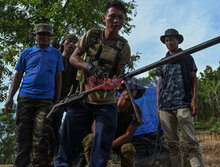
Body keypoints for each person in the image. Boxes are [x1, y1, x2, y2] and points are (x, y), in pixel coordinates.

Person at [54, 1, 131, 166]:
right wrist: (88, 67)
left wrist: (116, 80)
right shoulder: (92, 35)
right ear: (104, 18)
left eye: (120, 18)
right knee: (68, 143)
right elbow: (73, 58)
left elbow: (120, 72)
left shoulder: (124, 46)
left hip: (106, 101)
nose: (116, 21)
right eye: (112, 17)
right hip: (82, 97)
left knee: (102, 144)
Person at [4, 23, 64, 167]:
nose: (44, 37)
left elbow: (58, 77)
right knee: (22, 136)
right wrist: (10, 97)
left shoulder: (56, 54)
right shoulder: (26, 52)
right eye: (41, 34)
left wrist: (57, 98)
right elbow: (18, 75)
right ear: (35, 36)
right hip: (25, 98)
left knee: (42, 136)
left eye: (47, 34)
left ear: (50, 37)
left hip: (46, 100)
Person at [156, 28, 204, 167]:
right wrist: (158, 107)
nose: (169, 42)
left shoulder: (187, 57)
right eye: (166, 40)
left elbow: (194, 80)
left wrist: (194, 99)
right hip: (165, 106)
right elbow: (159, 85)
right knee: (172, 144)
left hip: (183, 104)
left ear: (177, 40)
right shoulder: (162, 62)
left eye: (171, 39)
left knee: (191, 142)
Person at [81, 81, 145, 167]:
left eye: (133, 92)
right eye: (129, 89)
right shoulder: (109, 104)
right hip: (103, 139)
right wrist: (101, 142)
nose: (130, 93)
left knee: (128, 149)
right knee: (90, 139)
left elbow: (128, 134)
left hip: (119, 143)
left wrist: (110, 145)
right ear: (122, 91)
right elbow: (95, 124)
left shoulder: (136, 111)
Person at [48, 34, 79, 164]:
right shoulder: (55, 57)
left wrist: (68, 99)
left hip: (61, 101)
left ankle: (52, 156)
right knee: (45, 126)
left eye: (74, 43)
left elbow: (75, 84)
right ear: (63, 43)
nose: (71, 44)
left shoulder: (74, 63)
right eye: (69, 41)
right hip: (47, 96)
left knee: (55, 126)